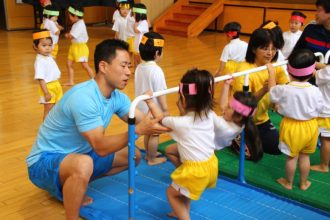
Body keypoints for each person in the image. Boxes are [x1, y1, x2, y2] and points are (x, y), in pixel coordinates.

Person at [26, 39, 169, 220]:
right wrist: (139, 131)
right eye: (124, 66)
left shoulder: (117, 97)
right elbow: (101, 146)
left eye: (129, 66)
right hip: (43, 162)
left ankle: (74, 185)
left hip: (81, 154)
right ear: (103, 66)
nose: (129, 72)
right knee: (84, 163)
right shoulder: (84, 97)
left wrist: (155, 104)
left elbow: (153, 123)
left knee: (134, 156)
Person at [145, 68, 218, 219]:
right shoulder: (210, 114)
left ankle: (184, 216)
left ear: (183, 101)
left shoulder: (180, 122)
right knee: (184, 186)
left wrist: (150, 101)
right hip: (210, 164)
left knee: (171, 194)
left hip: (195, 172)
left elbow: (159, 118)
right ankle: (182, 209)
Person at [268, 49, 324, 190]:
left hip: (292, 126)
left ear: (289, 72)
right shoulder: (315, 90)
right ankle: (304, 183)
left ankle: (288, 183)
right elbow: (320, 108)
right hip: (311, 126)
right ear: (312, 73)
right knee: (305, 157)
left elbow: (272, 93)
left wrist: (272, 73)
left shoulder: (285, 89)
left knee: (292, 157)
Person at [231, 28, 289, 155]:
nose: (270, 53)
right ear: (253, 49)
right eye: (265, 48)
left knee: (278, 148)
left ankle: (251, 139)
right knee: (252, 154)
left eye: (273, 49)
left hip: (261, 119)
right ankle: (235, 136)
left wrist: (279, 103)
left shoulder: (274, 67)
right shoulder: (244, 70)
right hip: (242, 119)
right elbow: (244, 105)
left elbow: (286, 87)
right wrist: (264, 89)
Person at [135, 32, 168, 165]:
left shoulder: (139, 67)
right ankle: (152, 158)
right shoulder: (156, 70)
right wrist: (165, 109)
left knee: (148, 131)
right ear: (156, 54)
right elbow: (161, 93)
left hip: (141, 107)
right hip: (153, 109)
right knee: (155, 133)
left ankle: (149, 153)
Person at [216, 78, 263, 161]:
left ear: (238, 117)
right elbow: (223, 106)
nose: (225, 107)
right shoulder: (241, 122)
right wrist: (226, 85)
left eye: (229, 107)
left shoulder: (224, 127)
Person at [32, 29, 63, 120]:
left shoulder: (48, 56)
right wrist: (46, 93)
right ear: (35, 46)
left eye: (50, 45)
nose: (48, 48)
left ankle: (54, 126)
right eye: (44, 45)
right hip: (48, 88)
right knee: (48, 109)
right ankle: (46, 129)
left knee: (57, 108)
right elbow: (40, 79)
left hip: (56, 85)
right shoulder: (39, 61)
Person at [64, 4, 94, 86]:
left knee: (85, 66)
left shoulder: (80, 24)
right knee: (68, 64)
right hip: (74, 47)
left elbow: (71, 36)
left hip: (81, 48)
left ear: (76, 16)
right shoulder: (76, 23)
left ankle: (94, 80)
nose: (69, 18)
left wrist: (67, 35)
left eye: (70, 16)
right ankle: (71, 81)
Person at [293, 0, 330, 65]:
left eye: (319, 10)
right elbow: (296, 54)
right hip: (307, 73)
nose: (316, 14)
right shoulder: (310, 30)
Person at [312, 65, 330, 172]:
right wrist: (316, 62)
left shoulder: (327, 72)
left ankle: (323, 165)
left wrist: (309, 65)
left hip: (326, 113)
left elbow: (315, 74)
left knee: (326, 140)